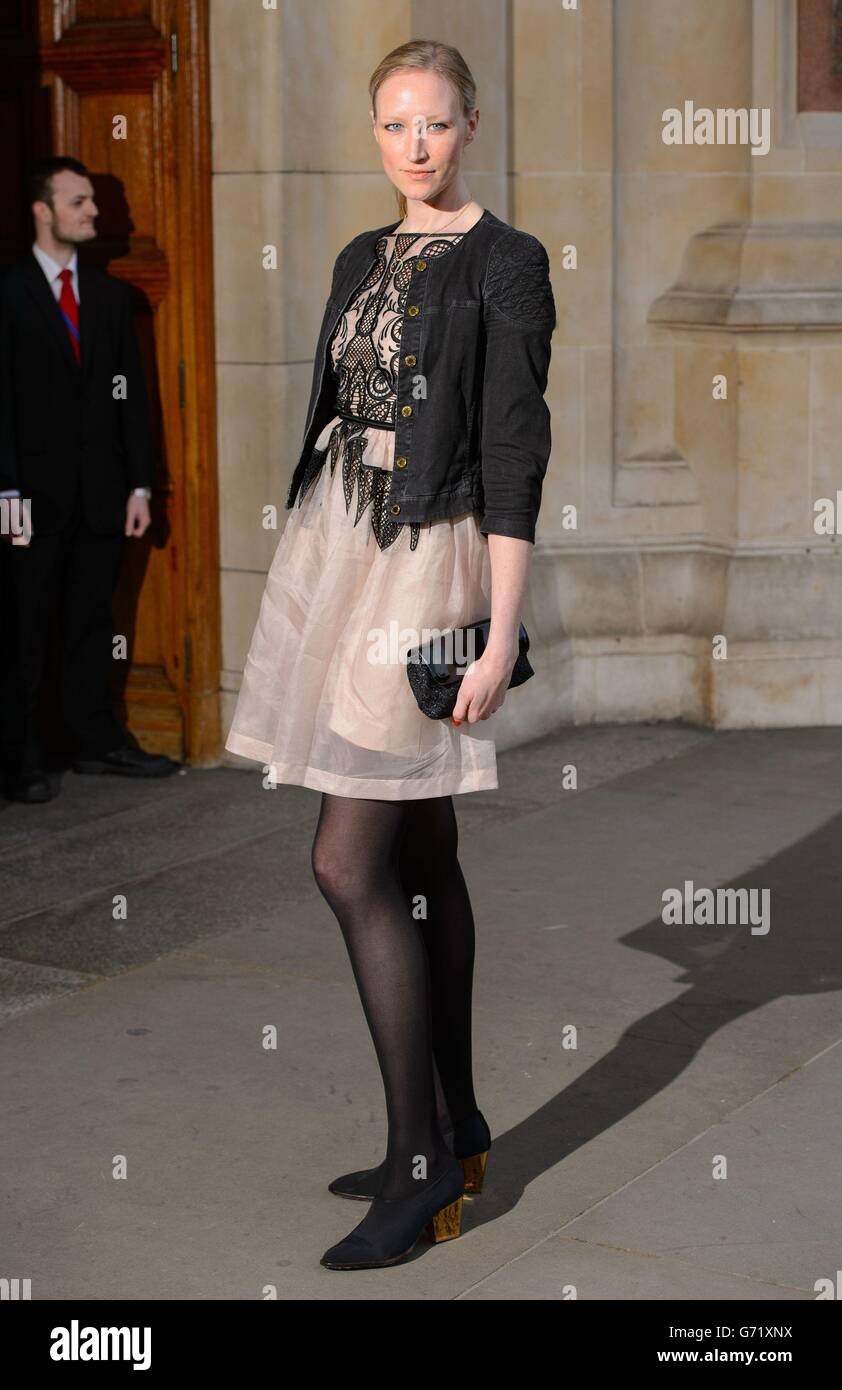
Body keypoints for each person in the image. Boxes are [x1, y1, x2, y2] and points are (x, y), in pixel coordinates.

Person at [225, 40, 556, 1270]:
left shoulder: (506, 264)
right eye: (392, 126)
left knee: (343, 856)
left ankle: (420, 1162)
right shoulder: (360, 256)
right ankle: (453, 1117)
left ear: (470, 123)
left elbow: (515, 454)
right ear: (375, 134)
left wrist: (502, 629)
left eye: (433, 123)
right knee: (419, 845)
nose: (413, 146)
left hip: (429, 561)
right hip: (340, 541)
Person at [0, 157, 179, 802]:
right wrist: (6, 491)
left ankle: (96, 742)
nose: (94, 214)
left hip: (104, 495)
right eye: (78, 203)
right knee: (23, 629)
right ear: (42, 211)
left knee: (90, 621)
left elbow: (132, 397)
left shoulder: (107, 296)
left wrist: (139, 485)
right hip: (29, 501)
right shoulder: (8, 292)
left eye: (93, 204)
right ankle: (19, 760)